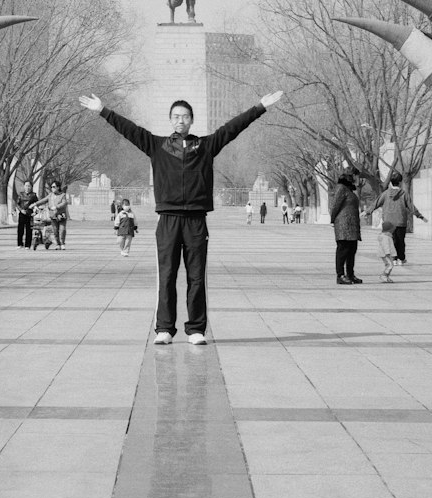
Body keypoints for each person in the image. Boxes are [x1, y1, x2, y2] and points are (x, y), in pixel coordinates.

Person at [79, 89, 282, 344]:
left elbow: (233, 128)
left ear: (191, 120)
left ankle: (196, 329)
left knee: (196, 277)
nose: (181, 120)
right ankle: (164, 328)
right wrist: (103, 111)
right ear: (171, 120)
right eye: (176, 116)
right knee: (167, 275)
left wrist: (260, 107)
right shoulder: (157, 146)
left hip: (196, 220)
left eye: (185, 116)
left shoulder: (206, 146)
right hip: (168, 220)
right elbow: (129, 129)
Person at [368, 173, 426, 265]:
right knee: (400, 241)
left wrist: (367, 212)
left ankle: (393, 259)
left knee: (391, 241)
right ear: (400, 182)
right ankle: (401, 259)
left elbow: (376, 203)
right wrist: (420, 216)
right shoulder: (404, 194)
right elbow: (411, 207)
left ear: (391, 182)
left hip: (388, 222)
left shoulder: (385, 194)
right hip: (400, 221)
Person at [329, 173, 362, 284]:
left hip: (352, 225)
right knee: (343, 251)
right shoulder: (341, 188)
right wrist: (332, 219)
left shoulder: (349, 191)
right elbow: (335, 205)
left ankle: (350, 274)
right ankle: (340, 275)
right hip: (343, 225)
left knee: (352, 250)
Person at [15, 180, 38, 249]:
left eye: (29, 186)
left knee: (29, 230)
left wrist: (35, 212)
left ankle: (28, 245)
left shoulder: (33, 195)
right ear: (24, 187)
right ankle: (19, 244)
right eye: (26, 186)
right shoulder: (21, 194)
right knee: (20, 229)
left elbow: (37, 204)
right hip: (22, 214)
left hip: (29, 214)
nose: (27, 187)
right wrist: (21, 210)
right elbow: (17, 204)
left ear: (31, 187)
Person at [48, 181, 69, 250]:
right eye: (51, 187)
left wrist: (56, 206)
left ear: (58, 187)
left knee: (62, 230)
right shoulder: (50, 195)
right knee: (55, 230)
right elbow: (43, 200)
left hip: (61, 215)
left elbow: (64, 202)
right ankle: (58, 244)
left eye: (54, 187)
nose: (52, 188)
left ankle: (62, 243)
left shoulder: (62, 195)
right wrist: (35, 204)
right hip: (53, 215)